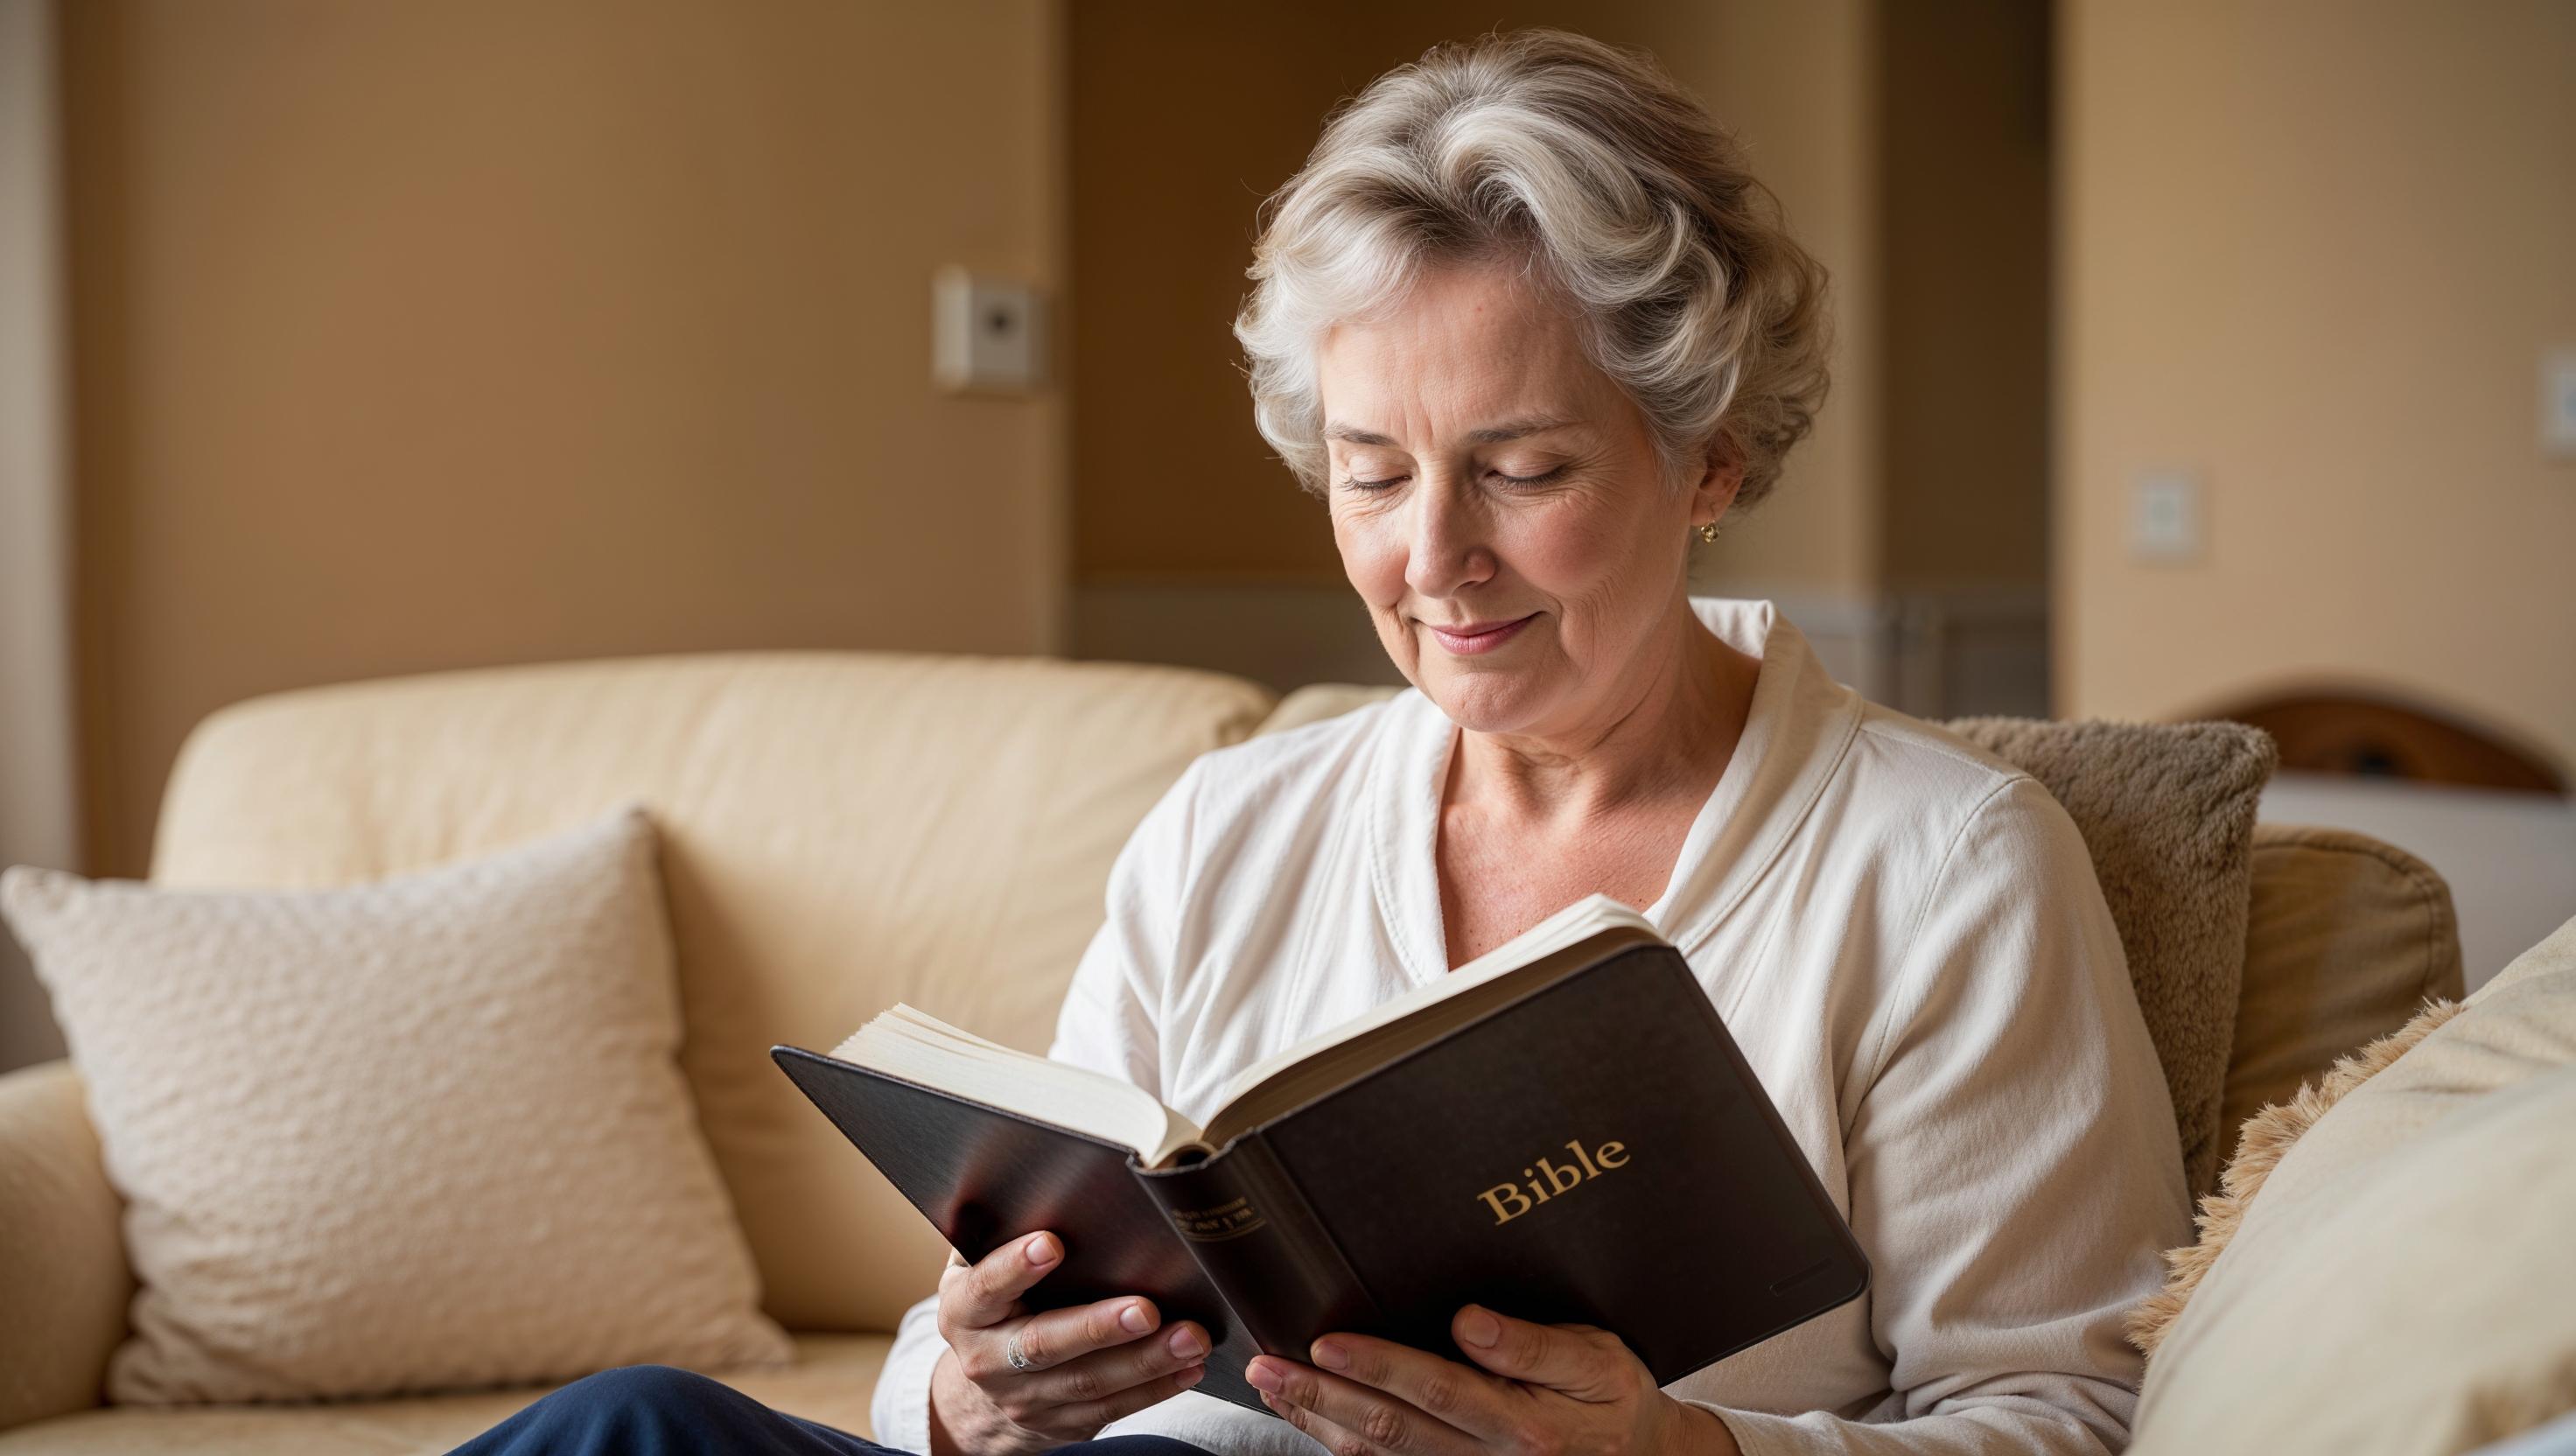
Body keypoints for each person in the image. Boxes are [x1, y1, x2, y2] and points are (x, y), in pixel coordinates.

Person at [450, 25, 2190, 1456]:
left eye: (1520, 467)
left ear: (1709, 458)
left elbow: (2066, 1416)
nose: (1430, 558)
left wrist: (1673, 1453)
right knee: (626, 1429)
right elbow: (1016, 1305)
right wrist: (959, 1389)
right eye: (1372, 471)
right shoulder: (1234, 824)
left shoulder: (1942, 864)